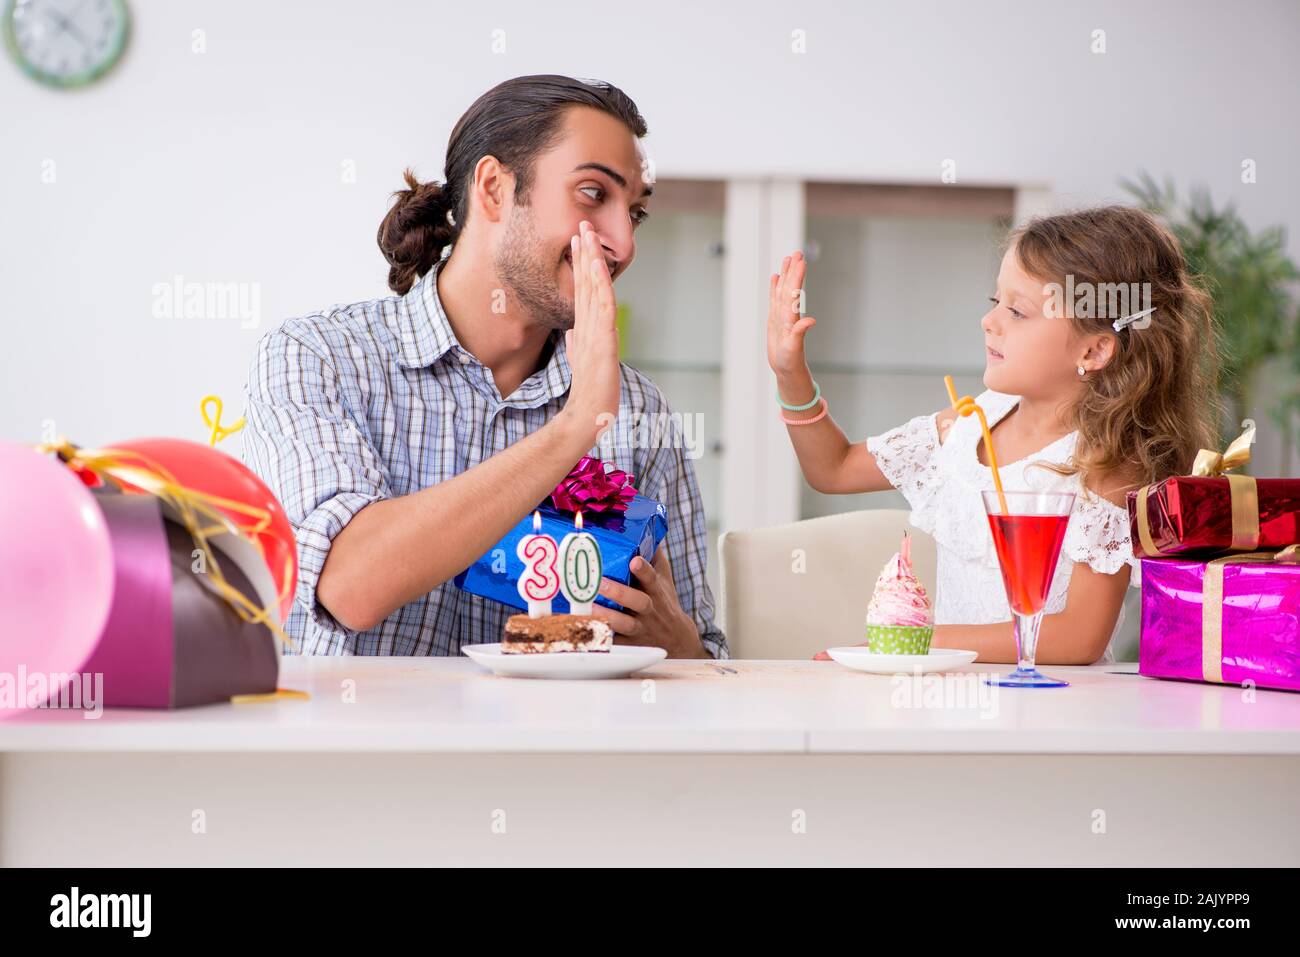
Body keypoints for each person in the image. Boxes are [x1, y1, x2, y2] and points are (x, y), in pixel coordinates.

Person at [243, 75, 725, 658]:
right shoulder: (318, 358)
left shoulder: (640, 410)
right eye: (594, 194)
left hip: (556, 751)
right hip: (357, 748)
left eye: (637, 214)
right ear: (495, 189)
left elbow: (710, 671)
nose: (623, 242)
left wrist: (676, 645)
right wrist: (576, 426)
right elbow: (349, 586)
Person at [765, 206, 1220, 664]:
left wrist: (912, 646)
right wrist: (790, 374)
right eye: (994, 301)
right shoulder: (968, 423)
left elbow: (1078, 638)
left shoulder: (1108, 465)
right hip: (950, 704)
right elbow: (834, 468)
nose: (990, 321)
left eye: (1018, 312)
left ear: (1095, 348)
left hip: (1049, 713)